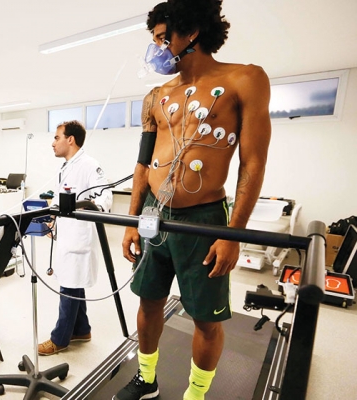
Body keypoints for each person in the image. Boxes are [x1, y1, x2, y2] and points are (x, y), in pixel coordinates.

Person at [116, 1, 271, 399]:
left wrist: (233, 234)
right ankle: (146, 380)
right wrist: (133, 221)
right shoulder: (156, 96)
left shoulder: (245, 79)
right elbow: (142, 163)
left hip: (204, 219)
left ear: (191, 33)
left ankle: (196, 395)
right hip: (154, 214)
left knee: (206, 319)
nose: (156, 48)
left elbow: (253, 162)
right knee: (149, 302)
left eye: (162, 39)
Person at [37, 120, 112, 356]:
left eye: (56, 137)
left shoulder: (90, 165)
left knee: (69, 285)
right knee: (73, 281)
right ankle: (82, 329)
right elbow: (62, 199)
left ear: (70, 139)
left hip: (79, 237)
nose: (53, 143)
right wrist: (53, 219)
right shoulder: (67, 166)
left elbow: (104, 199)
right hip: (67, 235)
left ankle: (59, 339)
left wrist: (85, 206)